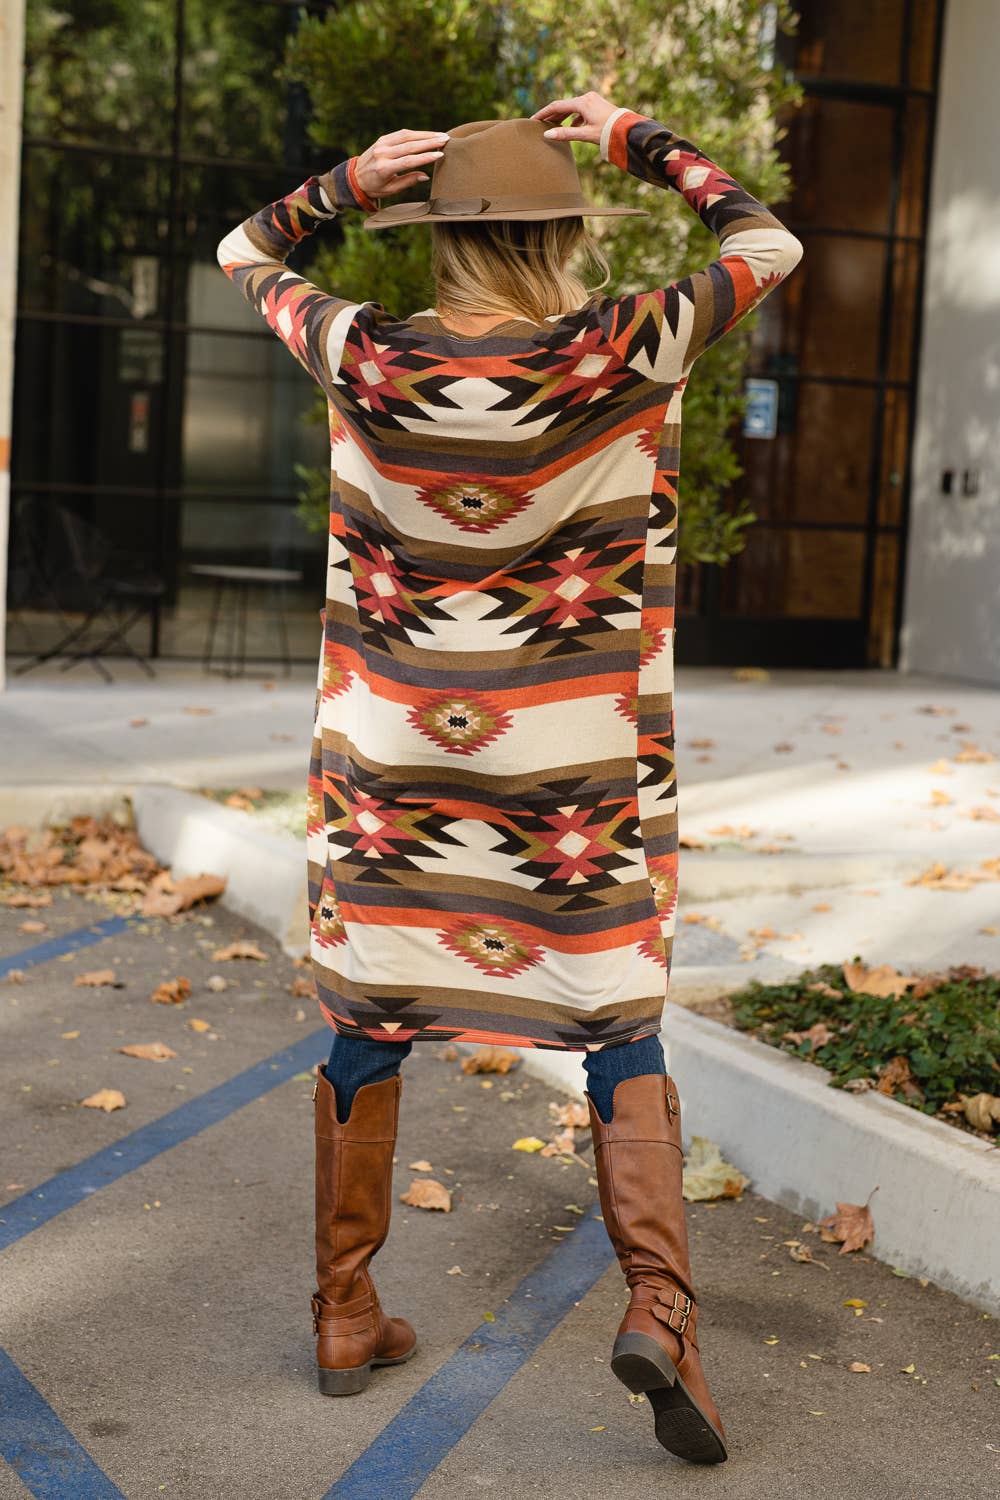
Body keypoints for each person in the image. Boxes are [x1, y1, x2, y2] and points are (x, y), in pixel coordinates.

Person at [216, 90, 803, 1465]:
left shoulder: (366, 353)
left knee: (373, 1006)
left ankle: (345, 1310)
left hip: (397, 771)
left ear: (440, 238)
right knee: (615, 1018)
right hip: (570, 779)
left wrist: (347, 183)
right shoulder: (621, 349)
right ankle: (660, 1310)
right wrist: (638, 138)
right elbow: (767, 246)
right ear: (560, 235)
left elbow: (244, 250)